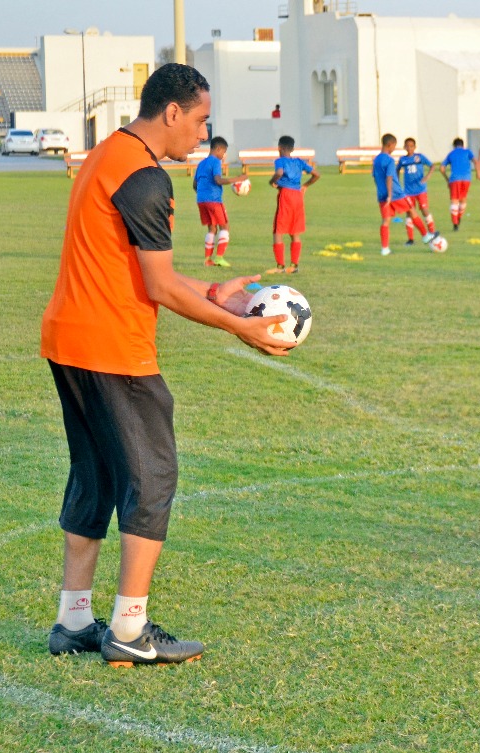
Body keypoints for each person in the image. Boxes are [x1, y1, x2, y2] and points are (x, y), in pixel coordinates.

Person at [40, 63, 293, 667]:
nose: (204, 136)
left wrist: (214, 292)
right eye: (202, 121)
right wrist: (243, 327)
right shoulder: (148, 179)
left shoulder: (110, 154)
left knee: (95, 475)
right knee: (151, 479)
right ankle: (129, 629)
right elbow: (156, 287)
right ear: (172, 112)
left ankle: (73, 620)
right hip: (112, 349)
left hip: (67, 340)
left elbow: (141, 270)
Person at [268, 135, 319, 274]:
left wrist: (272, 181)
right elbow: (316, 174)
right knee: (294, 231)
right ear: (292, 149)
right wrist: (305, 185)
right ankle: (294, 265)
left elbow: (279, 172)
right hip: (298, 195)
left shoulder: (280, 161)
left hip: (286, 195)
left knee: (278, 231)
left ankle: (280, 267)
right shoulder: (299, 162)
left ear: (280, 148)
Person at [372, 133, 428, 256]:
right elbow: (389, 177)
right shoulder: (389, 160)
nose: (393, 149)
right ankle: (425, 236)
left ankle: (385, 249)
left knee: (386, 221)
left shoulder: (376, 159)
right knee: (412, 211)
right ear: (389, 145)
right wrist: (390, 195)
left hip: (381, 194)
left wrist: (383, 192)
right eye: (394, 146)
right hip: (395, 193)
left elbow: (375, 177)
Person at [192, 136, 242, 268]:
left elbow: (194, 184)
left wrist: (203, 195)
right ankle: (219, 258)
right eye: (224, 152)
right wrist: (236, 179)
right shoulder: (215, 162)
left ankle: (208, 259)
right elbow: (218, 180)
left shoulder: (201, 163)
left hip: (201, 200)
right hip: (214, 199)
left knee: (212, 228)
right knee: (224, 226)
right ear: (218, 149)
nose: (223, 155)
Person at [397, 137, 436, 242]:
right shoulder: (402, 160)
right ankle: (410, 239)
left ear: (415, 147)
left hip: (421, 190)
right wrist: (397, 183)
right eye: (407, 146)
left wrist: (427, 176)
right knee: (409, 213)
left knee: (424, 210)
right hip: (408, 192)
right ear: (404, 147)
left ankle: (432, 232)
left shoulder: (419, 157)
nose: (409, 148)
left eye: (411, 146)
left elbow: (432, 166)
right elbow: (396, 171)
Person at [441, 137, 478, 231]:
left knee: (454, 201)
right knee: (463, 199)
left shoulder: (451, 154)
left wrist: (447, 179)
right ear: (463, 145)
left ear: (454, 146)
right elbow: (475, 161)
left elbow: (442, 168)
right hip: (466, 179)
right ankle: (459, 217)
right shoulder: (468, 152)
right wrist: (478, 173)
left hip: (455, 179)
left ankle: (455, 223)